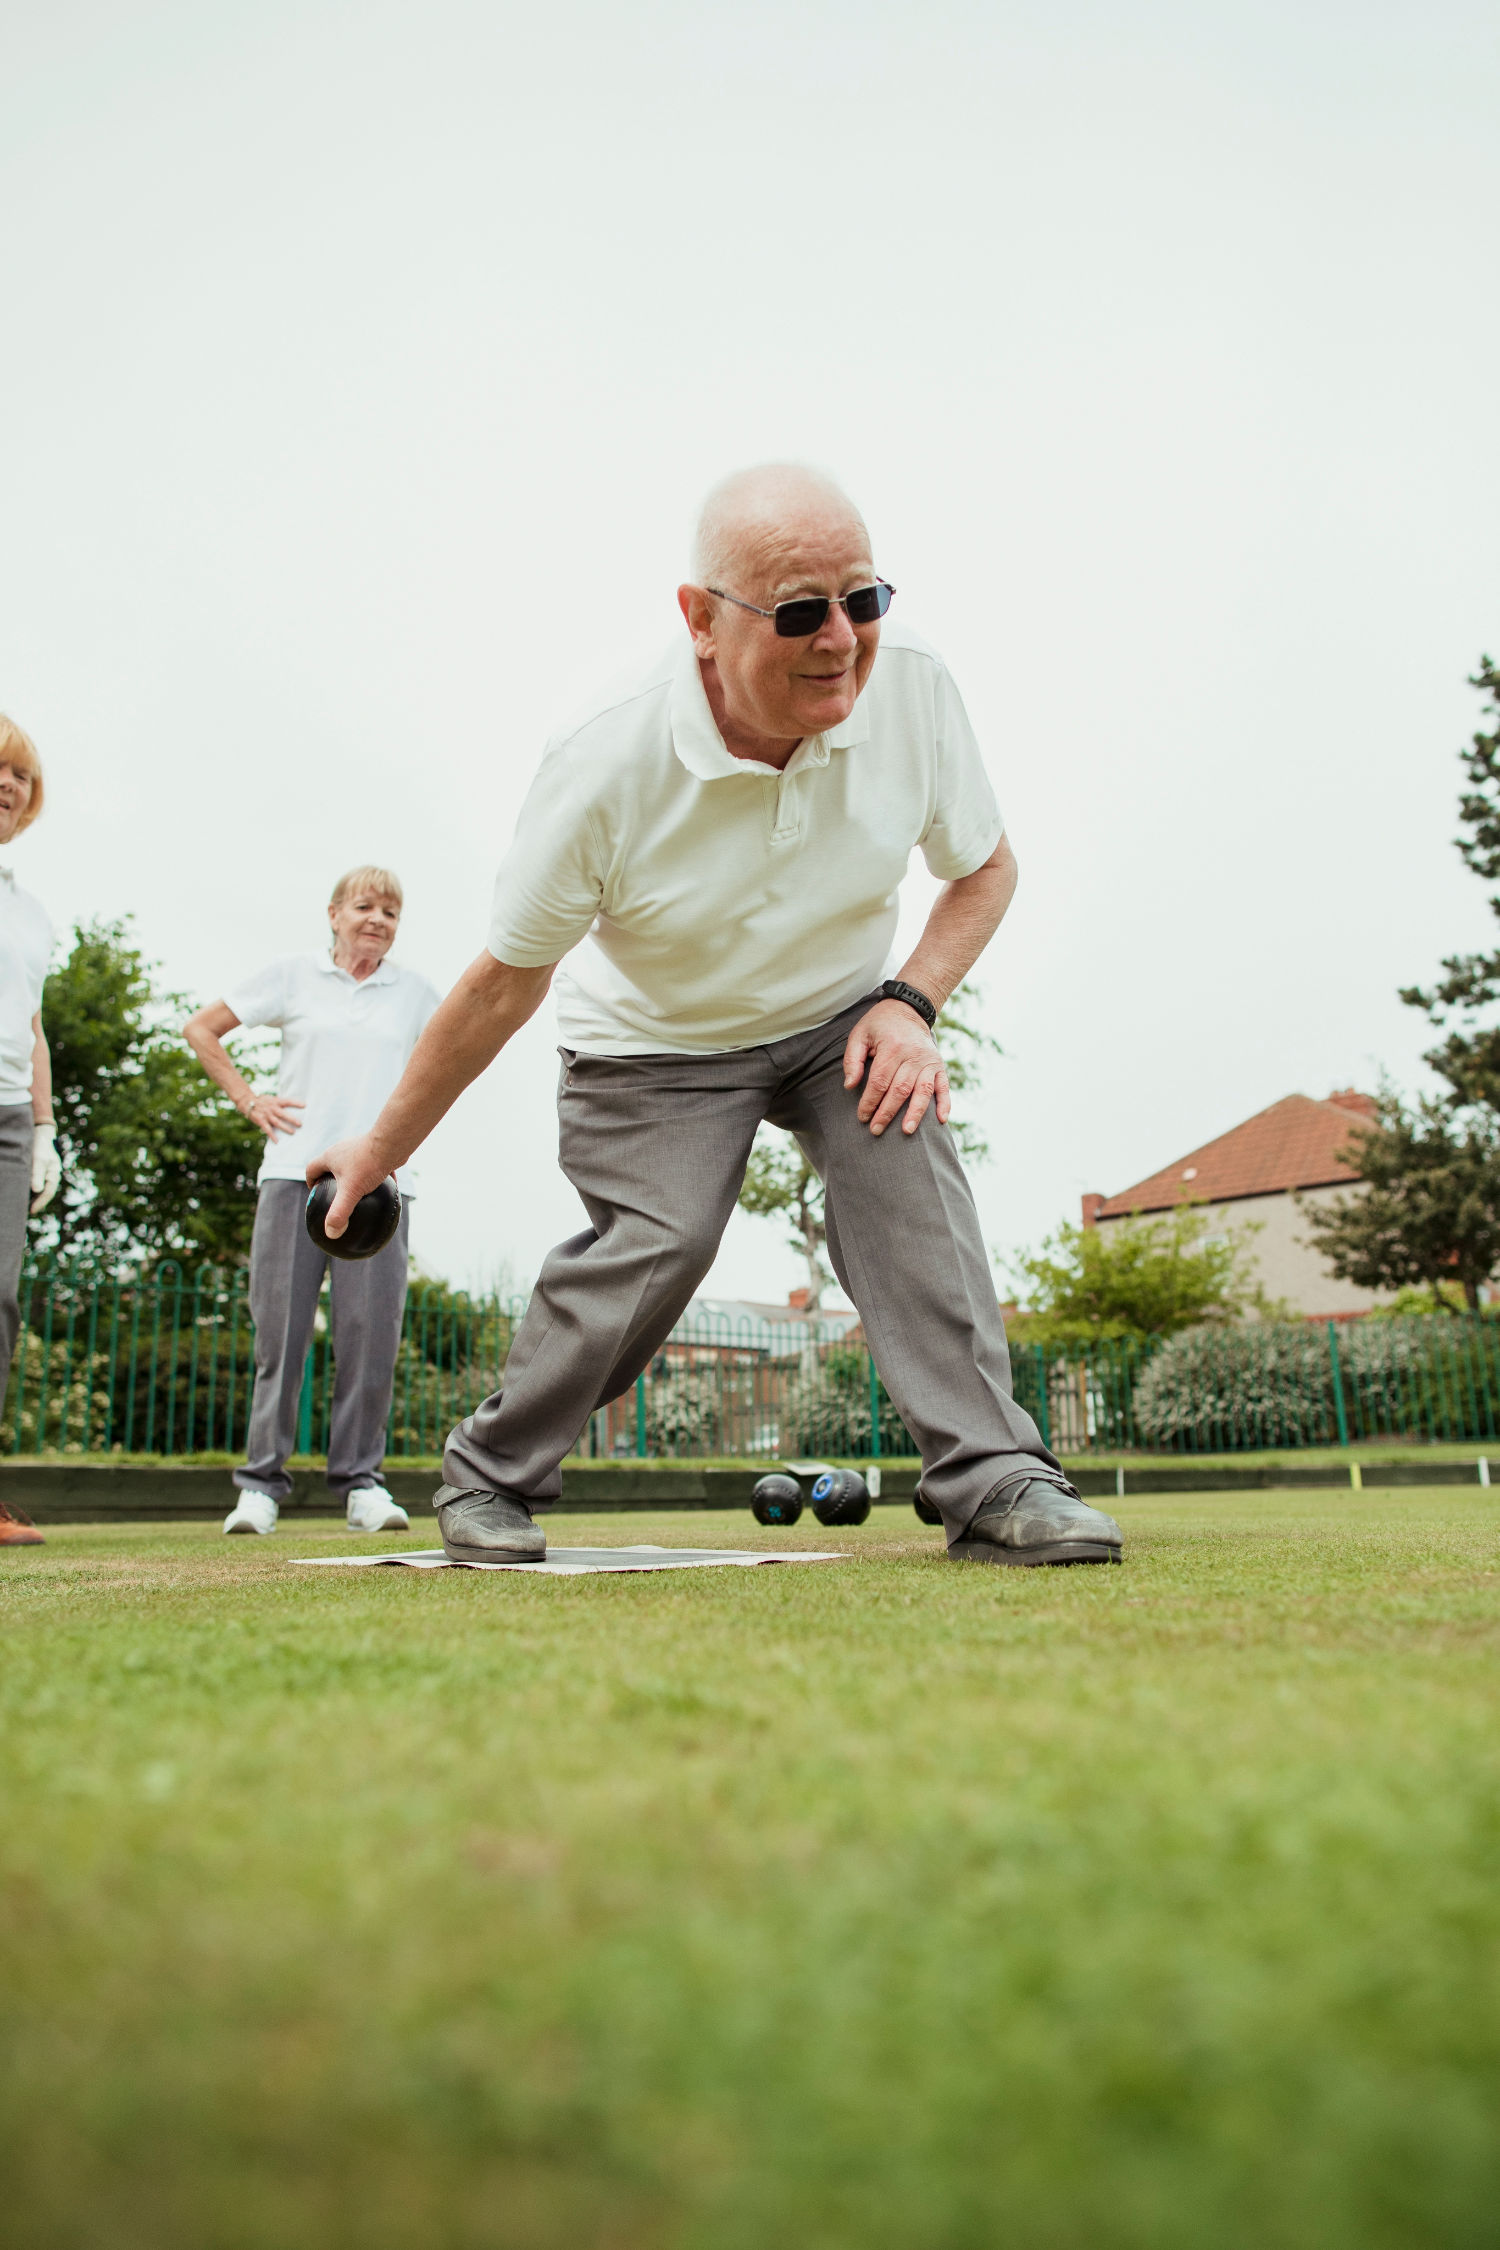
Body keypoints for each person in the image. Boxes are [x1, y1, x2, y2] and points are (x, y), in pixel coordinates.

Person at [312, 466, 1124, 1569]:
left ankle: (994, 1478)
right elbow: (503, 981)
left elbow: (984, 869)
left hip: (843, 1011)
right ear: (700, 620)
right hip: (654, 1044)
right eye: (799, 611)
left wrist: (911, 1002)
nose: (840, 639)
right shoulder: (605, 758)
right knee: (663, 1237)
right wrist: (381, 1148)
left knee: (905, 1162)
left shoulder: (916, 689)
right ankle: (488, 1476)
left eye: (864, 599)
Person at [184, 868, 440, 1535]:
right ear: (333, 914)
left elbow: (447, 1067)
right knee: (282, 1335)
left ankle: (361, 1484)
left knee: (370, 1340)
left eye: (391, 910)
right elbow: (202, 1029)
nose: (377, 919)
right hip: (293, 1179)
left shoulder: (415, 994)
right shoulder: (293, 976)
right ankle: (261, 1486)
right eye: (364, 906)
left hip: (382, 1189)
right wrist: (249, 1100)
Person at [0, 718, 60, 1550]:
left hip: (10, 1118)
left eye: (18, 774)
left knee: (0, 1299)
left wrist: (45, 1128)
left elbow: (34, 1023)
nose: (6, 784)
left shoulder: (31, 913)